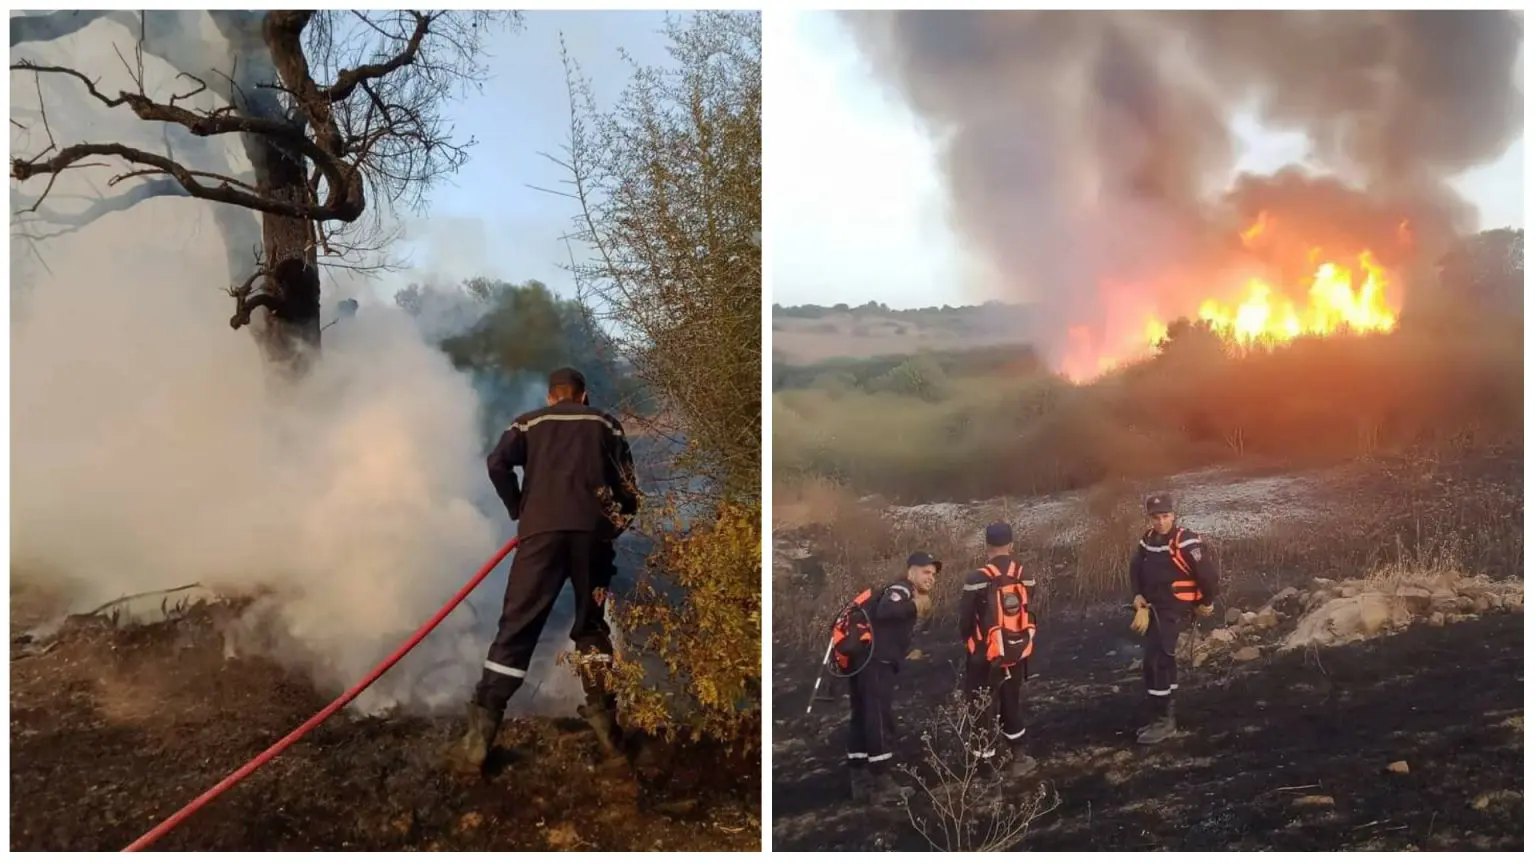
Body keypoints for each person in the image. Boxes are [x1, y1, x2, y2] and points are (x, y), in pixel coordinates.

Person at [450, 367, 642, 774]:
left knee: (517, 628)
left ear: (552, 396)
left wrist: (518, 506)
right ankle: (610, 739)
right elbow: (629, 490)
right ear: (584, 395)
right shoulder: (607, 424)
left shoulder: (529, 422)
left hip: (539, 536)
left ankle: (478, 743)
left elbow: (497, 463)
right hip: (593, 538)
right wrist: (614, 526)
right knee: (592, 628)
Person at [842, 551, 940, 803]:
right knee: (877, 717)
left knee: (862, 715)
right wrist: (914, 605)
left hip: (863, 661)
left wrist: (905, 650)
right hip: (875, 664)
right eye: (926, 572)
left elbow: (884, 624)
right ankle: (881, 780)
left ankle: (859, 779)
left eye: (933, 574)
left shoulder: (898, 589)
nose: (931, 578)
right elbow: (887, 610)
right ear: (911, 572)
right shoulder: (901, 588)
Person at [1129, 493, 1218, 745]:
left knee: (1156, 661)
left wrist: (1205, 603)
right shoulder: (1148, 540)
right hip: (1152, 608)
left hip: (1175, 608)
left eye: (1165, 516)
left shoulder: (1187, 541)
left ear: (1173, 515)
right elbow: (1135, 568)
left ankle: (1164, 722)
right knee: (1159, 660)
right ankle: (1163, 714)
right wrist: (1136, 595)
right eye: (1155, 517)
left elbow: (1208, 576)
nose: (1160, 522)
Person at [958, 522, 1038, 777]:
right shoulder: (1025, 574)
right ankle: (1019, 757)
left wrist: (971, 645)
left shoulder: (976, 578)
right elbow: (1028, 608)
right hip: (1016, 651)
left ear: (987, 546)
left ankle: (987, 769)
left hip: (984, 654)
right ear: (1011, 545)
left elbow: (965, 620)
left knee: (982, 709)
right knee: (1011, 701)